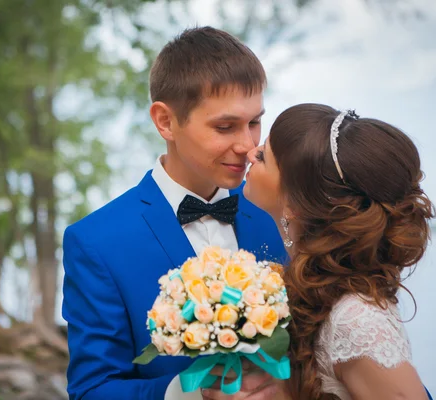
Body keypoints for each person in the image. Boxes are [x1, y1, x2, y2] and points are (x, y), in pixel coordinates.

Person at [62, 27, 288, 400]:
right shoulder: (96, 243)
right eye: (225, 126)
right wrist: (190, 394)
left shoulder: (278, 214)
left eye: (254, 123)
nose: (248, 146)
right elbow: (91, 391)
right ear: (165, 122)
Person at [244, 103, 434, 399]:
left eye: (263, 157)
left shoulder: (356, 320)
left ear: (295, 203)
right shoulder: (305, 287)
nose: (249, 154)